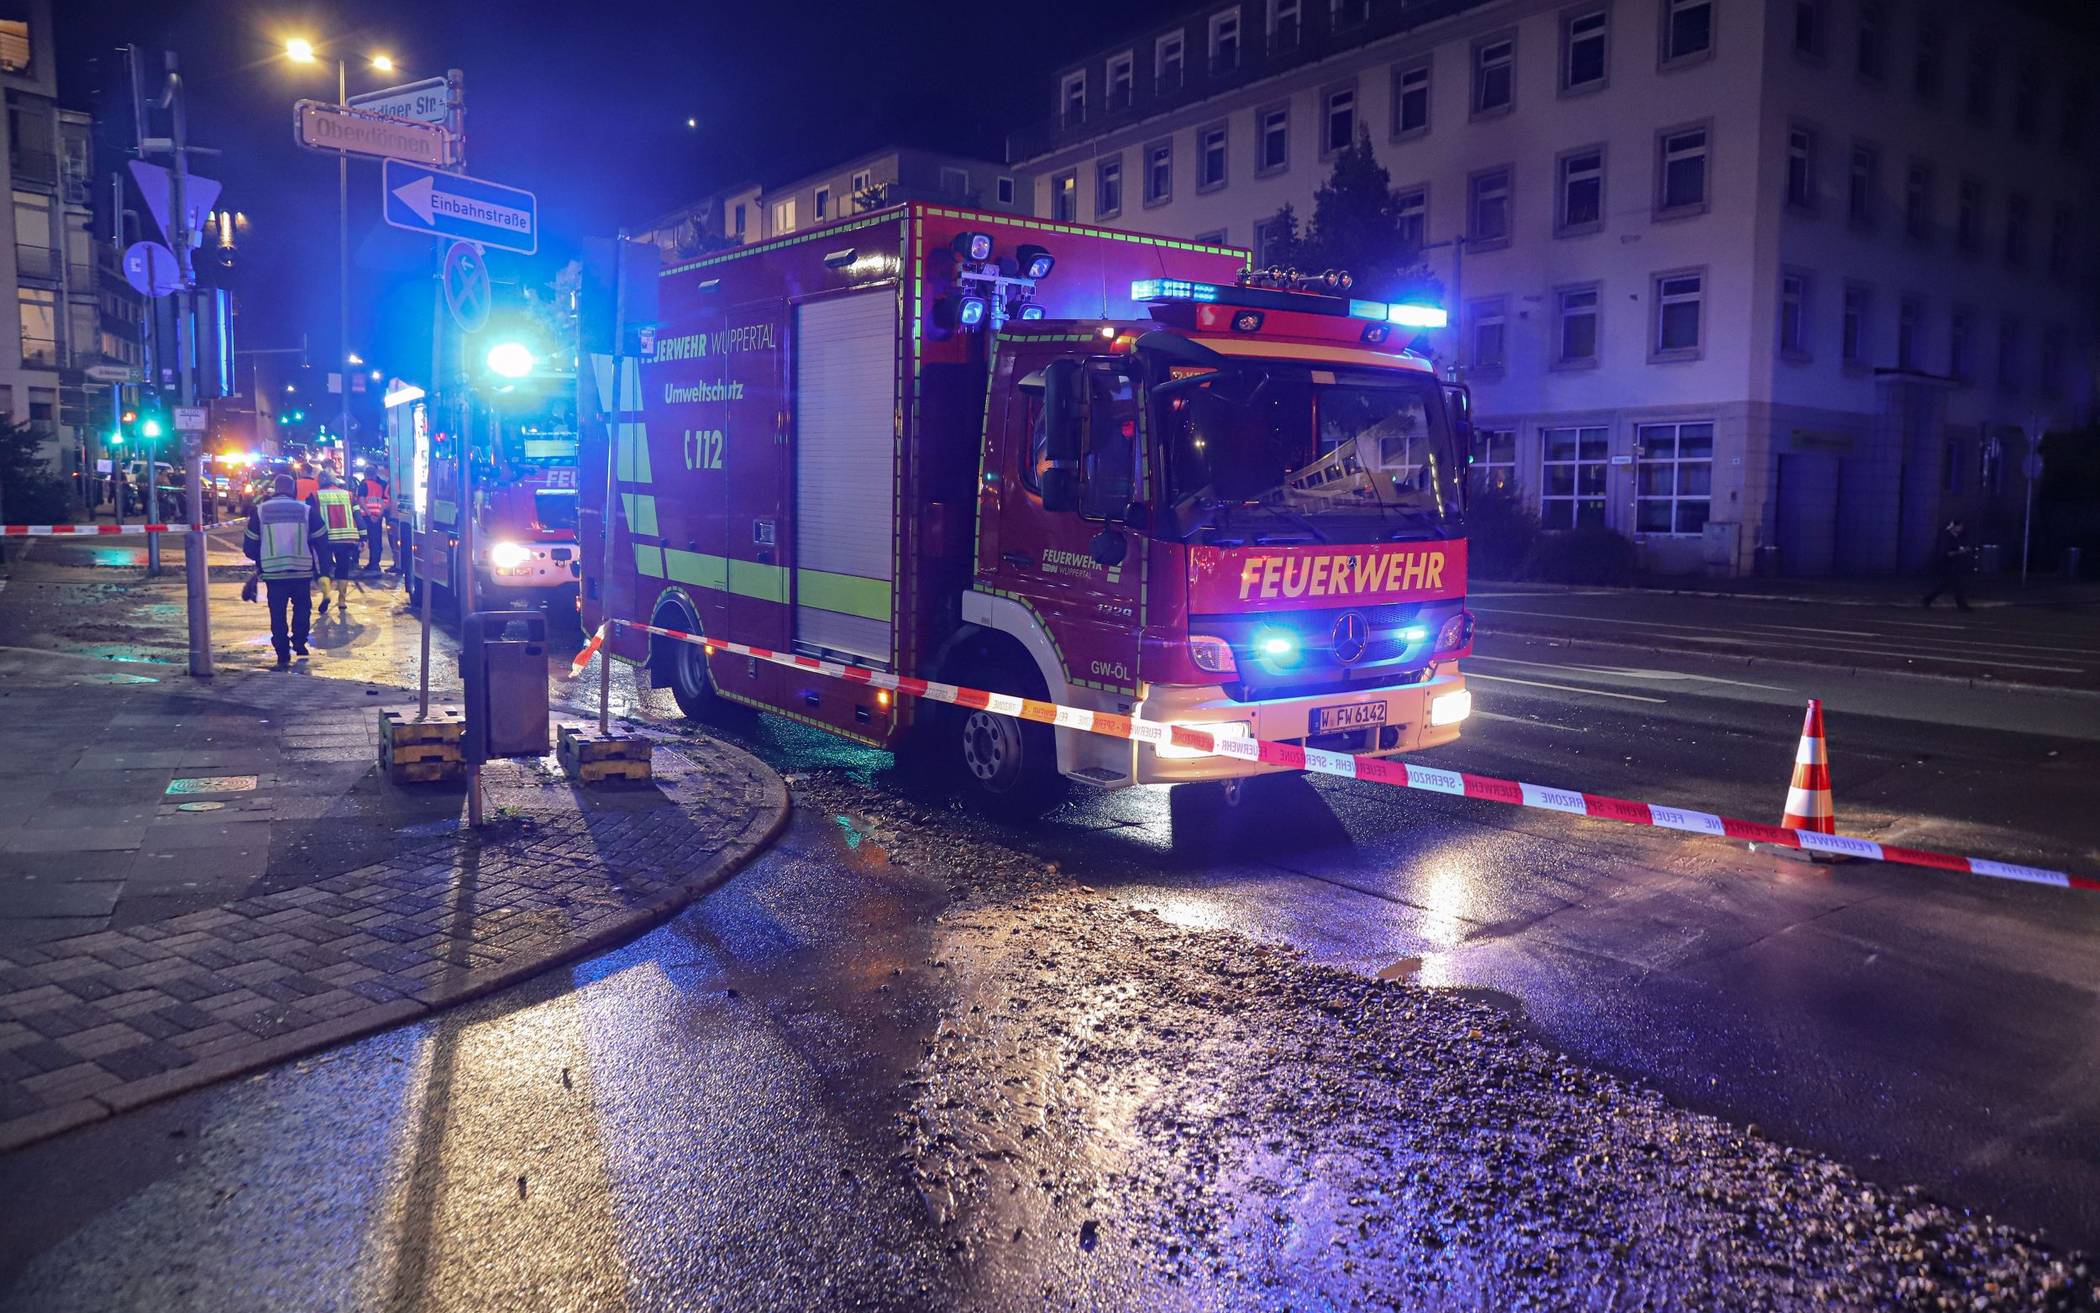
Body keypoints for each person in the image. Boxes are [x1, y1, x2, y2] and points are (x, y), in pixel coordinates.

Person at [244, 473, 327, 669]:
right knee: (302, 608)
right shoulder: (306, 510)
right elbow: (322, 541)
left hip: (273, 572)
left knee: (277, 612)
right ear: (293, 490)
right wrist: (322, 569)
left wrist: (262, 560)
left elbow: (249, 546)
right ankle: (299, 642)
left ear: (275, 489)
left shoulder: (260, 511)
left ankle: (282, 652)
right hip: (301, 570)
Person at [309, 471, 364, 617]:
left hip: (324, 539)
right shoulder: (349, 495)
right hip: (347, 538)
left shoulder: (315, 496)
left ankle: (326, 594)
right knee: (343, 568)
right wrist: (363, 537)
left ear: (320, 482)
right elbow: (358, 517)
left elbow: (309, 518)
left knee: (323, 569)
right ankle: (342, 600)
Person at [1921, 517, 1974, 611]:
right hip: (1947, 565)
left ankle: (1927, 599)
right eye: (1960, 526)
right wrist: (1961, 551)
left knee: (1946, 585)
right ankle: (1961, 605)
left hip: (1953, 564)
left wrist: (1962, 550)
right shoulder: (1947, 537)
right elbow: (1947, 553)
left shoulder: (1955, 537)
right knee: (1955, 585)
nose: (1961, 528)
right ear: (1955, 527)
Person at [358, 467, 392, 573]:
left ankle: (357, 562)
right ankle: (374, 564)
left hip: (366, 517)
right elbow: (383, 501)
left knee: (362, 539)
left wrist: (369, 513)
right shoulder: (379, 486)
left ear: (365, 474)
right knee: (376, 541)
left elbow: (361, 500)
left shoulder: (363, 485)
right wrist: (379, 514)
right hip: (377, 518)